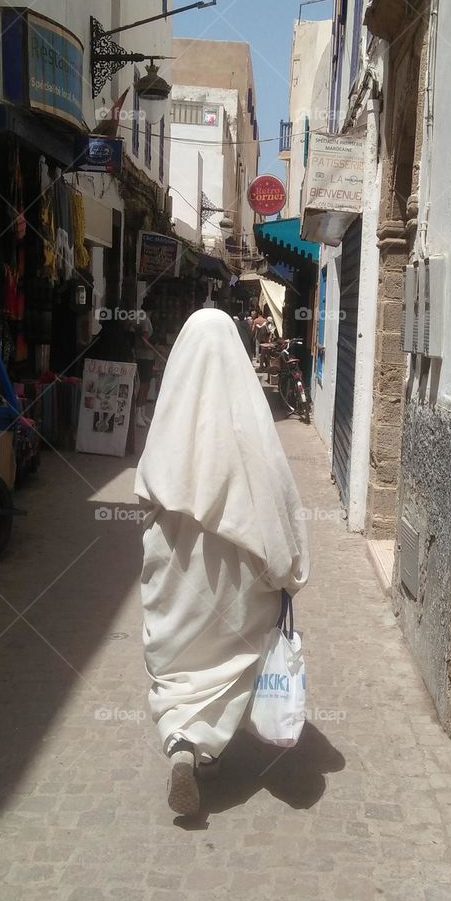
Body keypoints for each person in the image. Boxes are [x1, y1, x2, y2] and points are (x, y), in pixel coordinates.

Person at [135, 309, 310, 816]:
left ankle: (182, 743)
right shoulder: (250, 426)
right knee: (228, 655)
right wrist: (287, 571)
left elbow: (146, 492)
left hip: (174, 566)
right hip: (236, 575)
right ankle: (204, 741)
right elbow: (278, 500)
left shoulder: (170, 422)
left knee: (179, 661)